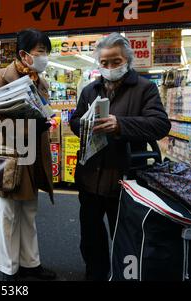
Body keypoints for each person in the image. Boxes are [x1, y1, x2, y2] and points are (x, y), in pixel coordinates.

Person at [69, 33, 171, 281]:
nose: (110, 67)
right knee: (91, 236)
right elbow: (74, 120)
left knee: (126, 236)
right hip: (90, 176)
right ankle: (95, 273)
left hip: (125, 179)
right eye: (104, 62)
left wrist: (120, 125)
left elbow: (160, 124)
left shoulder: (145, 88)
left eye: (115, 61)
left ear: (128, 59)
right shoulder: (90, 90)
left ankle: (125, 275)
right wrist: (84, 125)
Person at [0, 28, 56, 281]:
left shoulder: (40, 80)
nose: (44, 57)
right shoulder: (2, 77)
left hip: (34, 155)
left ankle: (30, 263)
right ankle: (7, 268)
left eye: (46, 52)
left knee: (29, 210)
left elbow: (43, 112)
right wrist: (31, 125)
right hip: (11, 155)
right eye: (40, 52)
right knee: (9, 212)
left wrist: (47, 120)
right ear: (24, 54)